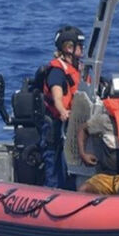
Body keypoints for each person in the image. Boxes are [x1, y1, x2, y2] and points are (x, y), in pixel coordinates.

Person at [40, 25, 84, 189]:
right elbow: (57, 95)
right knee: (54, 162)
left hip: (73, 124)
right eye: (80, 46)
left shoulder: (78, 68)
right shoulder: (57, 71)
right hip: (57, 123)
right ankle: (52, 190)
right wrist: (62, 111)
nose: (82, 49)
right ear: (68, 47)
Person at [76, 86, 119, 195]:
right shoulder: (105, 121)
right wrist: (83, 154)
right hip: (105, 176)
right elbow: (83, 129)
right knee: (84, 189)